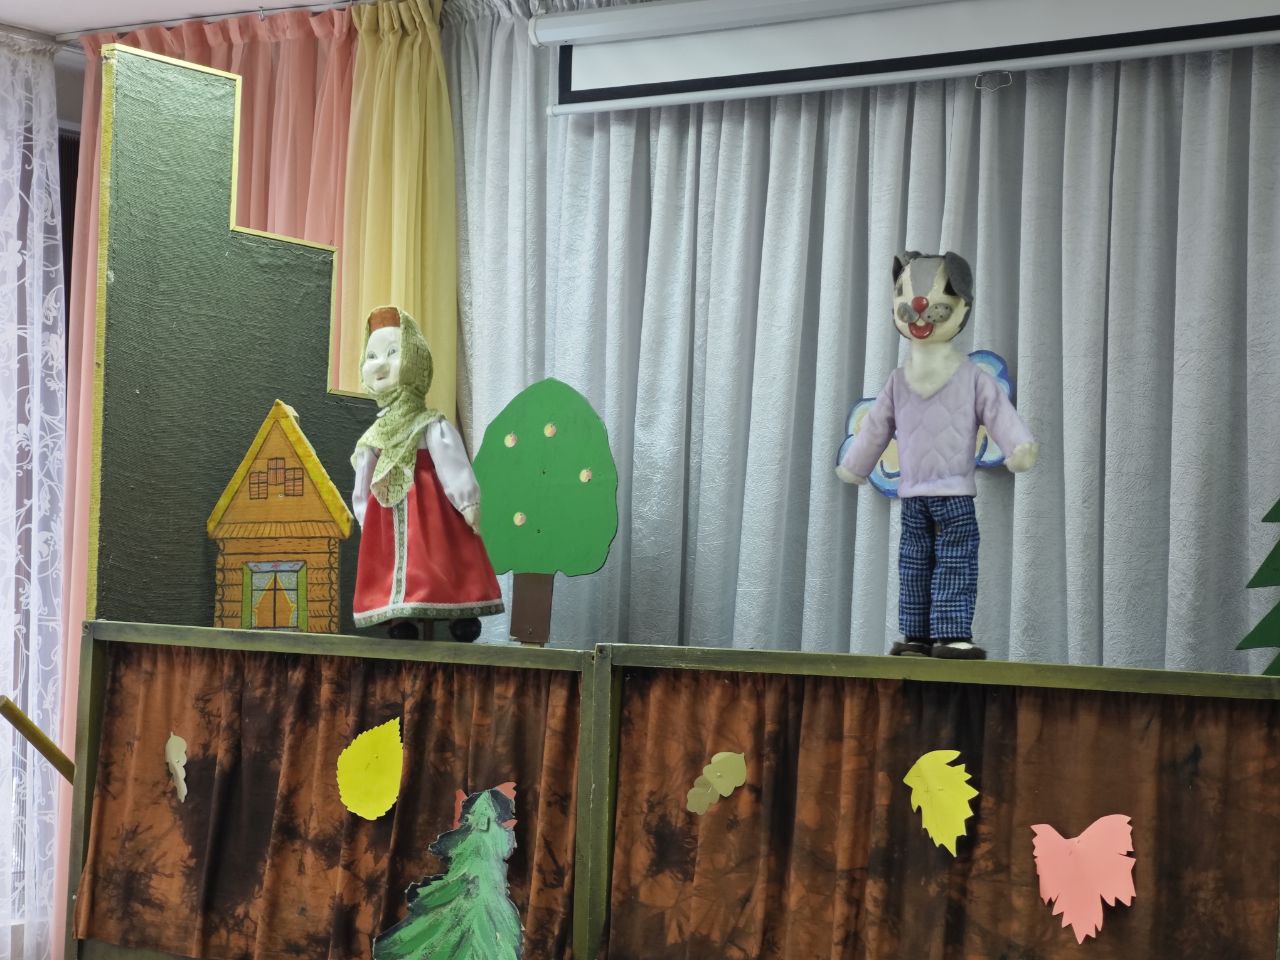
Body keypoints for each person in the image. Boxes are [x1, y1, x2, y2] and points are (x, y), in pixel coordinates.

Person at [351, 306, 503, 640]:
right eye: (372, 356)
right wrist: (364, 513)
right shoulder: (374, 435)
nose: (380, 364)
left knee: (441, 557)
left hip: (431, 507)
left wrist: (466, 501)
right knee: (394, 565)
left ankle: (461, 610)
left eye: (393, 353)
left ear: (415, 360)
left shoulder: (431, 424)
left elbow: (451, 462)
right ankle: (400, 617)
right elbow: (365, 476)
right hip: (387, 510)